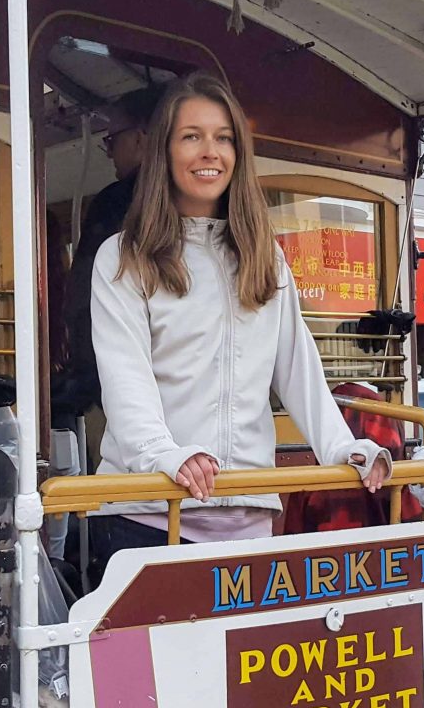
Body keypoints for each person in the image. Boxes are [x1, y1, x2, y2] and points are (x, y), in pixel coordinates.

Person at [86, 74, 391, 570]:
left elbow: (297, 365)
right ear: (163, 151)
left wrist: (343, 448)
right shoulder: (124, 257)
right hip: (146, 513)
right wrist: (166, 455)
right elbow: (125, 375)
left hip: (247, 513)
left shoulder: (264, 256)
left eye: (223, 138)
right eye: (192, 137)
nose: (210, 152)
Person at [52, 84, 162, 433]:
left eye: (112, 141)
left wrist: (85, 372)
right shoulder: (196, 201)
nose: (110, 153)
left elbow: (86, 293)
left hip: (123, 367)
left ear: (142, 140)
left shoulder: (115, 202)